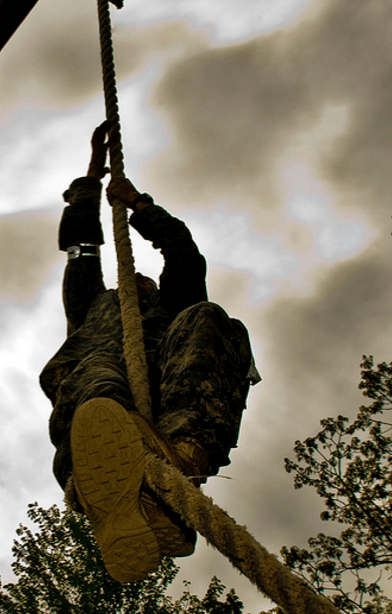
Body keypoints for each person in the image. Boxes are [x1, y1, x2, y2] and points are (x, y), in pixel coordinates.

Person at [40, 122, 260, 583]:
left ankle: (178, 464)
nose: (135, 283)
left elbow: (183, 256)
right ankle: (102, 480)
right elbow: (80, 251)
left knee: (209, 319)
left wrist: (140, 205)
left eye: (142, 283)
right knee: (99, 375)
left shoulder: (169, 306)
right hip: (98, 392)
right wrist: (90, 183)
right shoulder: (93, 311)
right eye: (129, 283)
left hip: (167, 402)